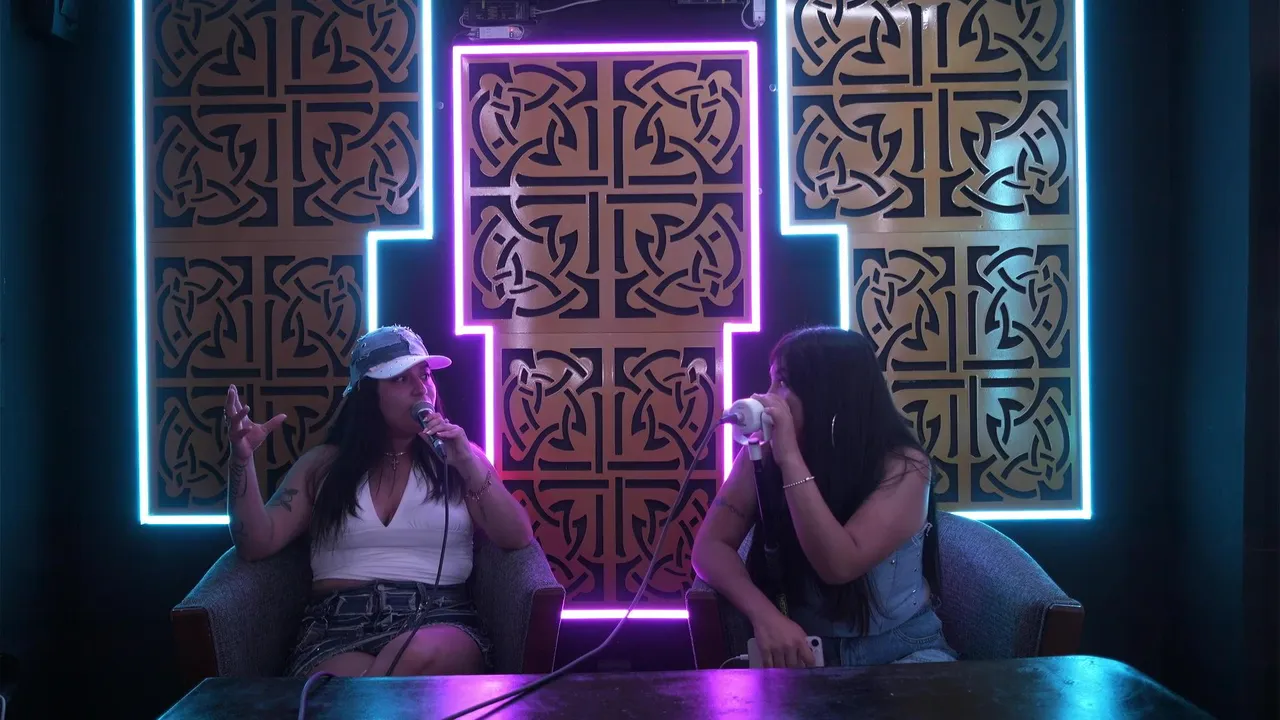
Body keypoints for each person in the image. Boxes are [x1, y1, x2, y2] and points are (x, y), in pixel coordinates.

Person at [223, 325, 535, 678]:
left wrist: (466, 463)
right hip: (339, 627)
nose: (421, 388)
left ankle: (367, 697)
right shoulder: (322, 465)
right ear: (368, 394)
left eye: (425, 375)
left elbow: (517, 537)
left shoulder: (463, 457)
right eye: (400, 379)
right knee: (346, 690)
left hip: (438, 619)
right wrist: (241, 460)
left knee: (410, 660)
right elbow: (256, 543)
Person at [691, 326, 956, 668]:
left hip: (901, 649)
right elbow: (710, 547)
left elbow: (839, 565)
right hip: (807, 652)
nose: (767, 396)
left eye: (783, 382)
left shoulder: (906, 466)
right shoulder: (762, 453)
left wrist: (789, 457)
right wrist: (766, 616)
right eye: (771, 380)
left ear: (829, 393)